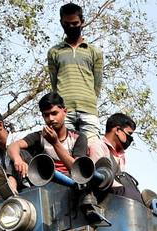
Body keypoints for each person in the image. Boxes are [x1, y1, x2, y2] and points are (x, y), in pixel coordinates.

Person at [46, 3, 103, 140]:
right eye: (67, 24)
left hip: (88, 109)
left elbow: (97, 83)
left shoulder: (94, 51)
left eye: (75, 23)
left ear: (82, 22)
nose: (71, 27)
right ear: (61, 23)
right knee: (64, 151)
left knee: (93, 149)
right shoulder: (54, 52)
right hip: (64, 110)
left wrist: (89, 100)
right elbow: (54, 83)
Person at [8, 92, 89, 181]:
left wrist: (55, 143)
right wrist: (18, 160)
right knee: (19, 152)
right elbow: (13, 145)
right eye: (46, 115)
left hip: (71, 181)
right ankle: (12, 185)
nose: (50, 119)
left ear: (64, 112)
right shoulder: (40, 136)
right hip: (45, 179)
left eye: (54, 113)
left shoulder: (78, 137)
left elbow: (78, 171)